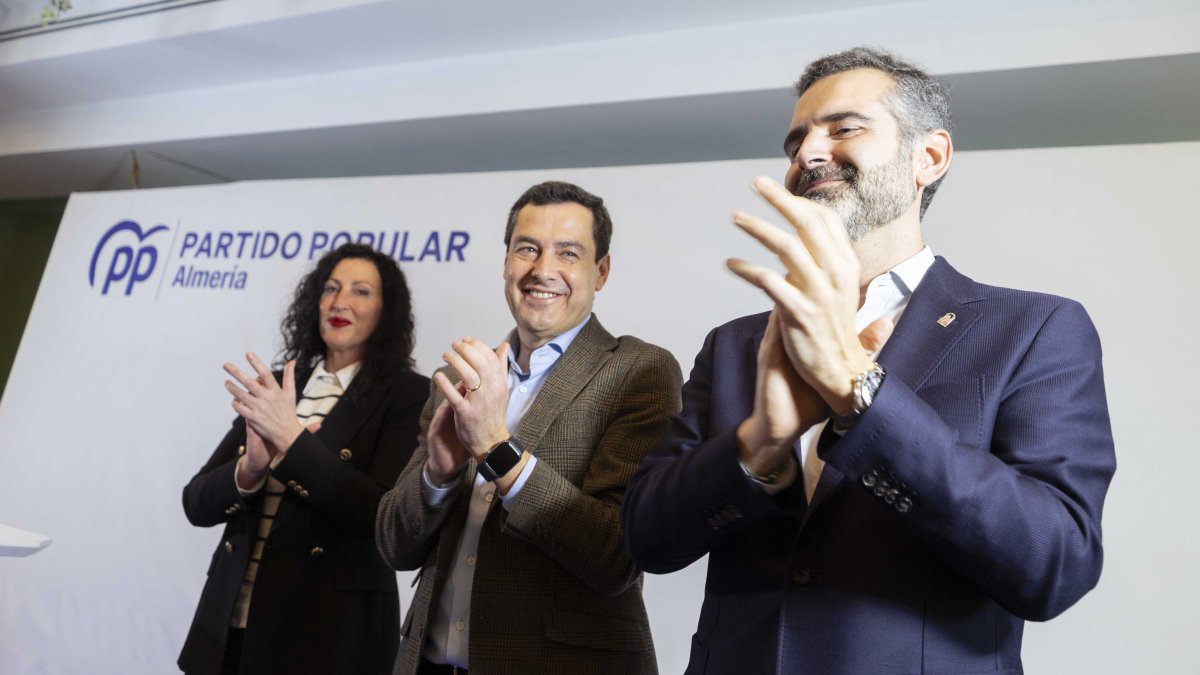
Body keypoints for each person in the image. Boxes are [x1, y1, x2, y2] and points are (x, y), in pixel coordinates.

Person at [622, 47, 1116, 674]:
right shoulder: (736, 344)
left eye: (845, 127)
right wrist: (760, 442)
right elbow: (646, 539)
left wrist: (862, 393)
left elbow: (1054, 564)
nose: (808, 153)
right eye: (796, 139)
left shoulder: (1035, 328)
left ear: (928, 158)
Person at [376, 181, 682, 675]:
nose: (543, 270)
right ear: (505, 263)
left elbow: (616, 557)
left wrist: (497, 451)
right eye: (527, 249)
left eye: (568, 253)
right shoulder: (459, 377)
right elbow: (394, 546)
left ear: (600, 271)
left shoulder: (639, 371)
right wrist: (438, 473)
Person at [179, 243, 429, 675]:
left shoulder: (409, 394)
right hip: (229, 627)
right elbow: (196, 504)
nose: (339, 301)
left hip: (325, 637)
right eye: (331, 288)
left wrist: (293, 445)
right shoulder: (279, 386)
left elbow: (381, 515)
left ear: (387, 311)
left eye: (361, 291)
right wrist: (251, 469)